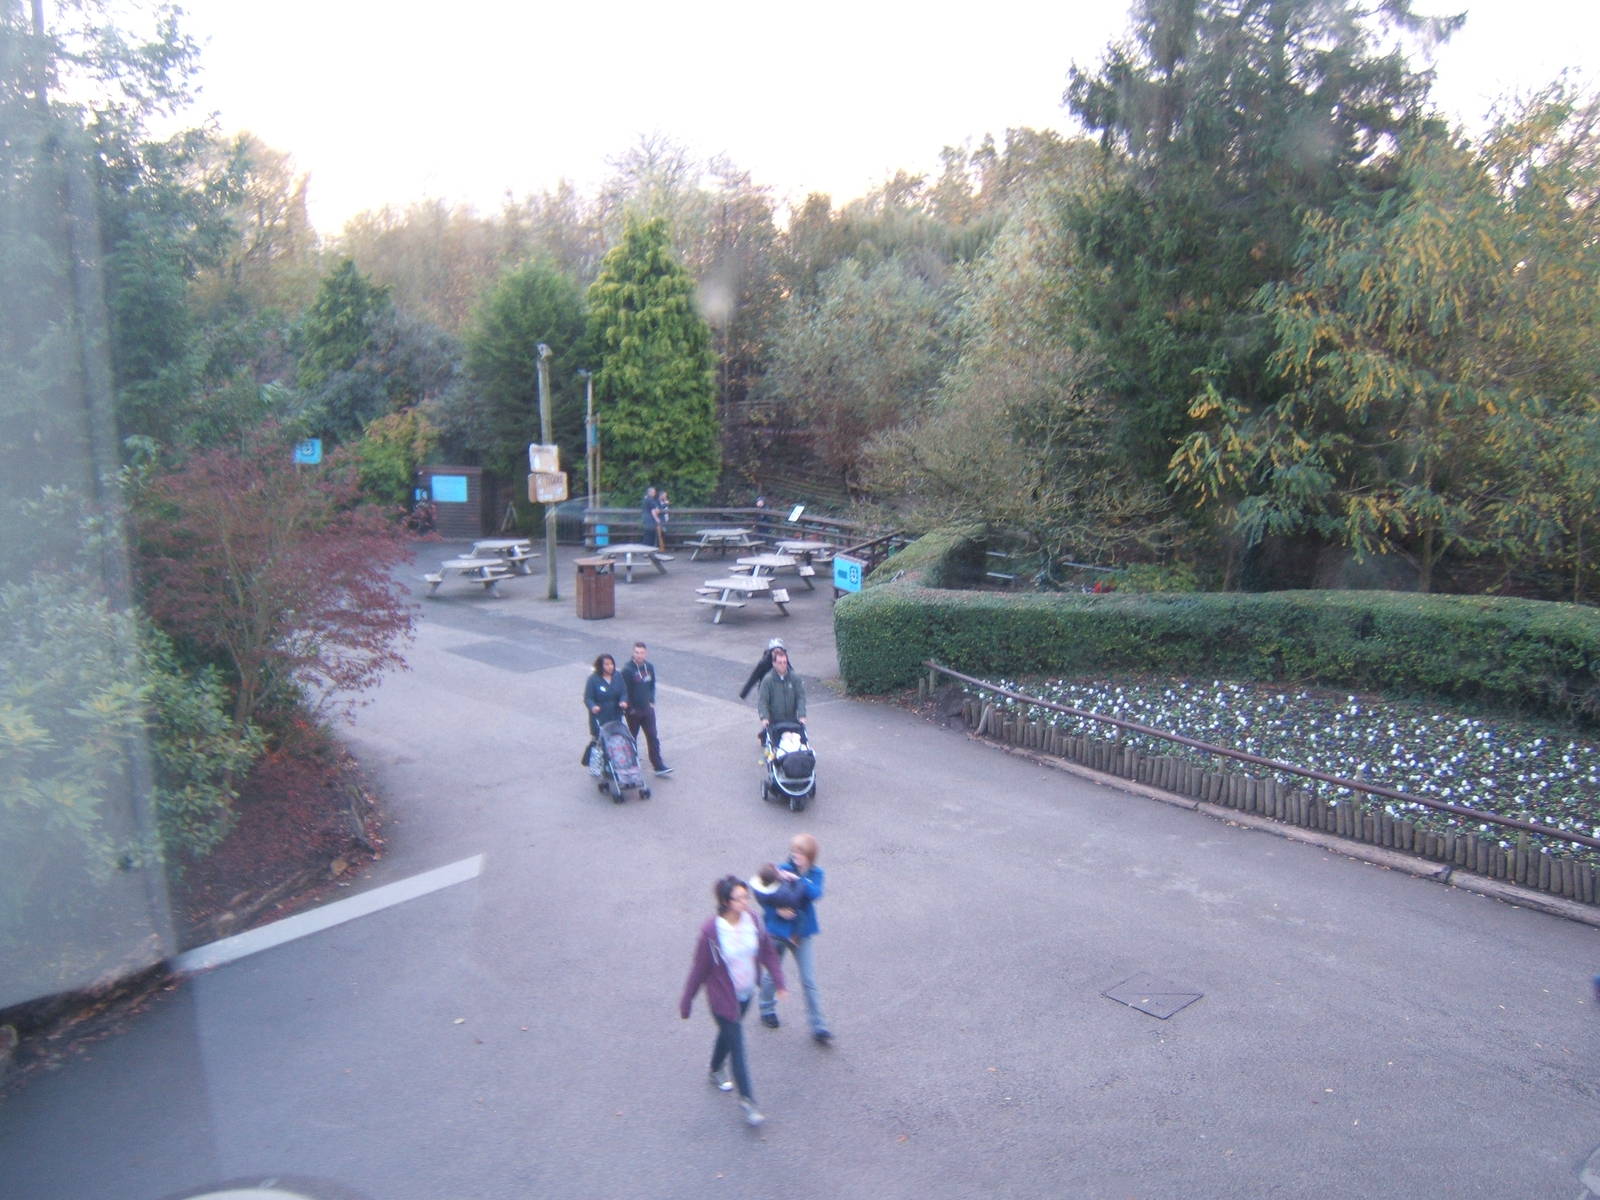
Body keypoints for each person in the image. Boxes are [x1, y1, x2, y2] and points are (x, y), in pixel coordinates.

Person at [679, 875, 786, 1128]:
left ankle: (715, 1068)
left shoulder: (754, 921)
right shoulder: (712, 932)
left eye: (746, 896)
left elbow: (768, 953)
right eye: (738, 898)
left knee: (727, 1037)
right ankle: (748, 1101)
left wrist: (779, 982)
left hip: (745, 993)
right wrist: (687, 1000)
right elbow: (699, 968)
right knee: (737, 1046)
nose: (745, 902)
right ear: (725, 902)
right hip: (722, 999)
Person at [753, 834, 830, 1042]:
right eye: (794, 851)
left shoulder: (816, 873)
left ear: (810, 856)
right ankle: (766, 1008)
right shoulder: (782, 869)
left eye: (801, 853)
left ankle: (819, 1026)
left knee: (809, 980)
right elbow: (765, 898)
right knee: (773, 973)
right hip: (780, 931)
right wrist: (778, 912)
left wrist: (799, 880)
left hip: (801, 933)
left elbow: (815, 894)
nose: (796, 856)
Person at [620, 641, 671, 775]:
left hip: (647, 709)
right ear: (633, 653)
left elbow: (652, 684)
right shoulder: (627, 670)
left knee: (653, 736)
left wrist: (651, 700)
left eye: (642, 653)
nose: (639, 655)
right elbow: (624, 691)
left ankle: (658, 765)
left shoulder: (649, 667)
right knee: (632, 737)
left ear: (645, 653)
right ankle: (631, 763)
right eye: (637, 652)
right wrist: (630, 709)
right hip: (633, 712)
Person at [580, 653, 628, 770]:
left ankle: (612, 765)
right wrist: (593, 707)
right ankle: (603, 766)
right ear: (600, 666)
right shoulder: (593, 680)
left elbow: (623, 692)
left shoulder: (617, 676)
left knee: (614, 740)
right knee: (601, 742)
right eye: (606, 664)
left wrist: (623, 701)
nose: (610, 667)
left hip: (615, 715)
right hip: (600, 717)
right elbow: (588, 698)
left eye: (611, 664)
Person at [757, 646, 806, 735]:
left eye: (785, 662)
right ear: (774, 663)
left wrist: (802, 715)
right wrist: (764, 718)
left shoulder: (795, 678)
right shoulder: (767, 681)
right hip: (774, 723)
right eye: (779, 662)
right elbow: (763, 701)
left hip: (792, 722)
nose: (783, 665)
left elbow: (801, 697)